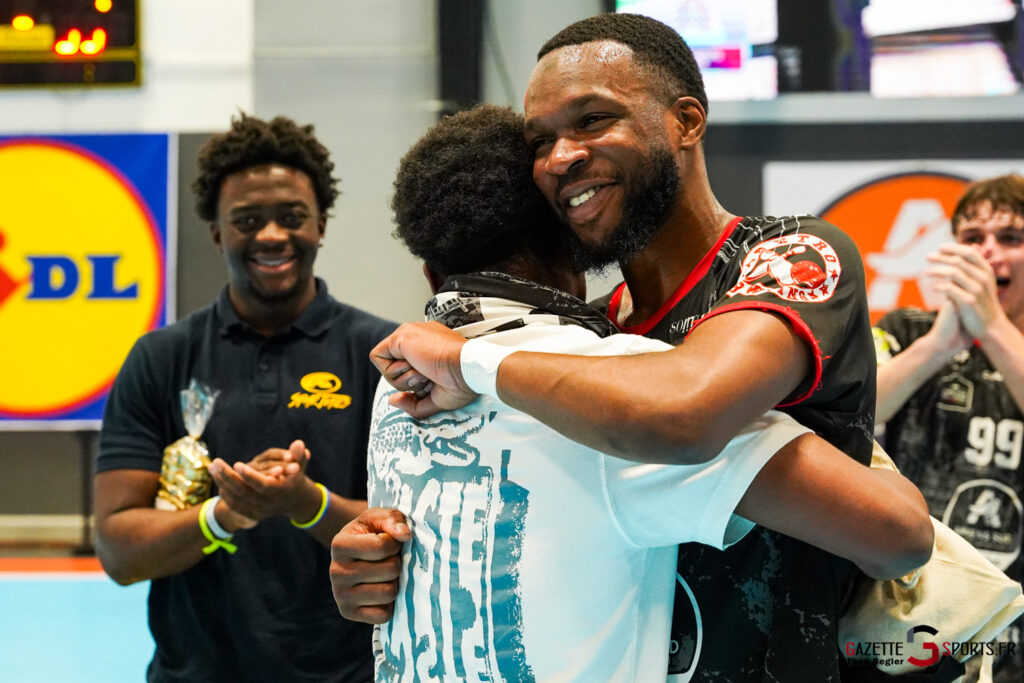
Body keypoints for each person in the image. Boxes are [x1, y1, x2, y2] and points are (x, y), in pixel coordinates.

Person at [341, 13, 894, 682]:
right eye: (540, 139)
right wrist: (382, 561)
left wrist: (468, 360)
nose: (559, 157)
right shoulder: (589, 338)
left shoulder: (787, 258)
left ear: (686, 122)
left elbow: (685, 411)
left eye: (593, 120)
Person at [94, 113, 396, 683]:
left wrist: (306, 503)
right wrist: (223, 517)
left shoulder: (381, 354)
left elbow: (413, 538)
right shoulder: (161, 359)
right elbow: (119, 552)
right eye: (248, 220)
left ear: (322, 224)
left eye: (292, 217)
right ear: (217, 232)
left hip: (351, 675)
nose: (272, 235)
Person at [874, 174, 1024, 682]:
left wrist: (993, 330)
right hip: (917, 616)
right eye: (973, 239)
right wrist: (940, 345)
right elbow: (852, 417)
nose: (988, 254)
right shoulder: (906, 330)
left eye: (1010, 239)